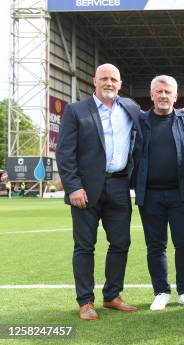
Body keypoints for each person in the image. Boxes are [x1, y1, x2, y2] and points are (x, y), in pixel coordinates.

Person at [56, 63, 142, 320]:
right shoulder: (75, 110)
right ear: (94, 81)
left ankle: (112, 295)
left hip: (119, 186)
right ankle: (85, 302)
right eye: (104, 78)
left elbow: (156, 118)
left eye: (113, 79)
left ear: (120, 83)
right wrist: (73, 187)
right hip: (85, 189)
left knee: (121, 242)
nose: (109, 83)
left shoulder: (131, 108)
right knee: (84, 246)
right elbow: (64, 153)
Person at [133, 75, 184, 311]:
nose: (163, 96)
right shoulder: (138, 121)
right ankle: (161, 291)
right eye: (159, 91)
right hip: (150, 194)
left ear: (176, 95)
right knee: (156, 245)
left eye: (168, 92)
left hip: (182, 193)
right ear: (152, 94)